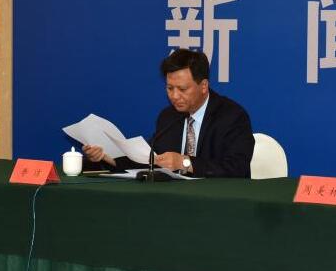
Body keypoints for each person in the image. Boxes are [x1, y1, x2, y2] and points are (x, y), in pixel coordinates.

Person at [83, 49, 255, 178]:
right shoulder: (168, 117)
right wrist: (107, 157)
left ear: (203, 86)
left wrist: (184, 163)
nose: (174, 96)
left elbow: (237, 167)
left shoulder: (232, 116)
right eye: (169, 88)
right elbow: (152, 158)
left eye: (182, 89)